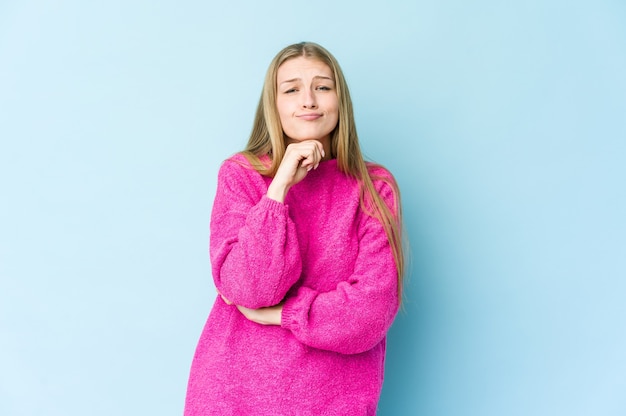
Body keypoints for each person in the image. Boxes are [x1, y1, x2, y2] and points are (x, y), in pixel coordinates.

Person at [184, 41, 405, 416]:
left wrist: (281, 314)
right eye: (291, 89)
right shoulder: (241, 176)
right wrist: (279, 188)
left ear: (340, 100)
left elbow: (368, 315)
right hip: (232, 396)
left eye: (322, 86)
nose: (308, 101)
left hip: (333, 401)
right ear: (274, 104)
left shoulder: (374, 187)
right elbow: (250, 288)